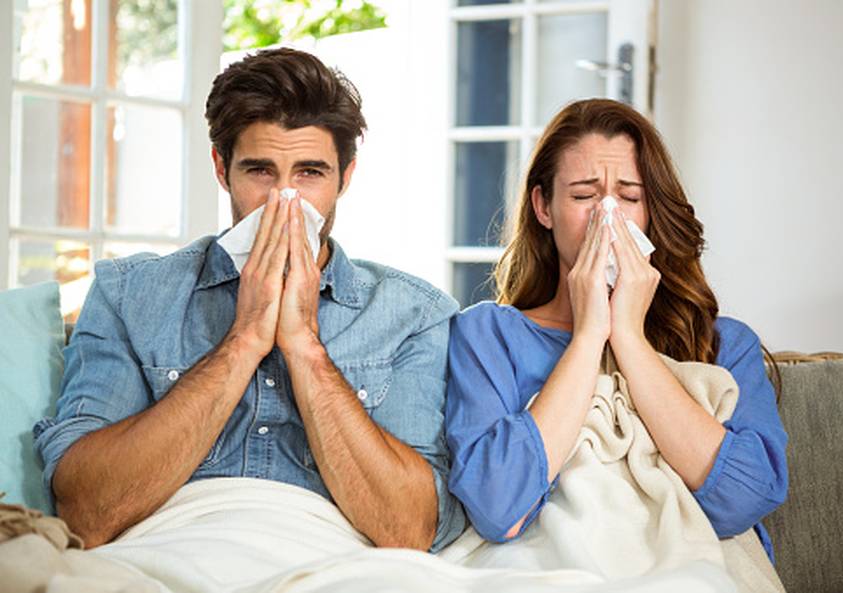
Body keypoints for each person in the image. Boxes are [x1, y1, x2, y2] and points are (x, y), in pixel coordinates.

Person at [33, 48, 465, 553]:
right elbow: (86, 512)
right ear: (223, 169)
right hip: (167, 552)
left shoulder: (414, 314)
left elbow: (408, 530)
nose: (284, 199)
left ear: (345, 178)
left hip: (334, 564)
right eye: (260, 171)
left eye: (309, 173)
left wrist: (303, 346)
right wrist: (242, 341)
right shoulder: (129, 296)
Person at [445, 98, 788, 561]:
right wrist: (588, 338)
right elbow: (495, 506)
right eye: (584, 196)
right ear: (543, 207)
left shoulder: (724, 344)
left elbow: (743, 500)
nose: (609, 218)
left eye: (629, 197)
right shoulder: (487, 334)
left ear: (651, 211)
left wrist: (627, 337)